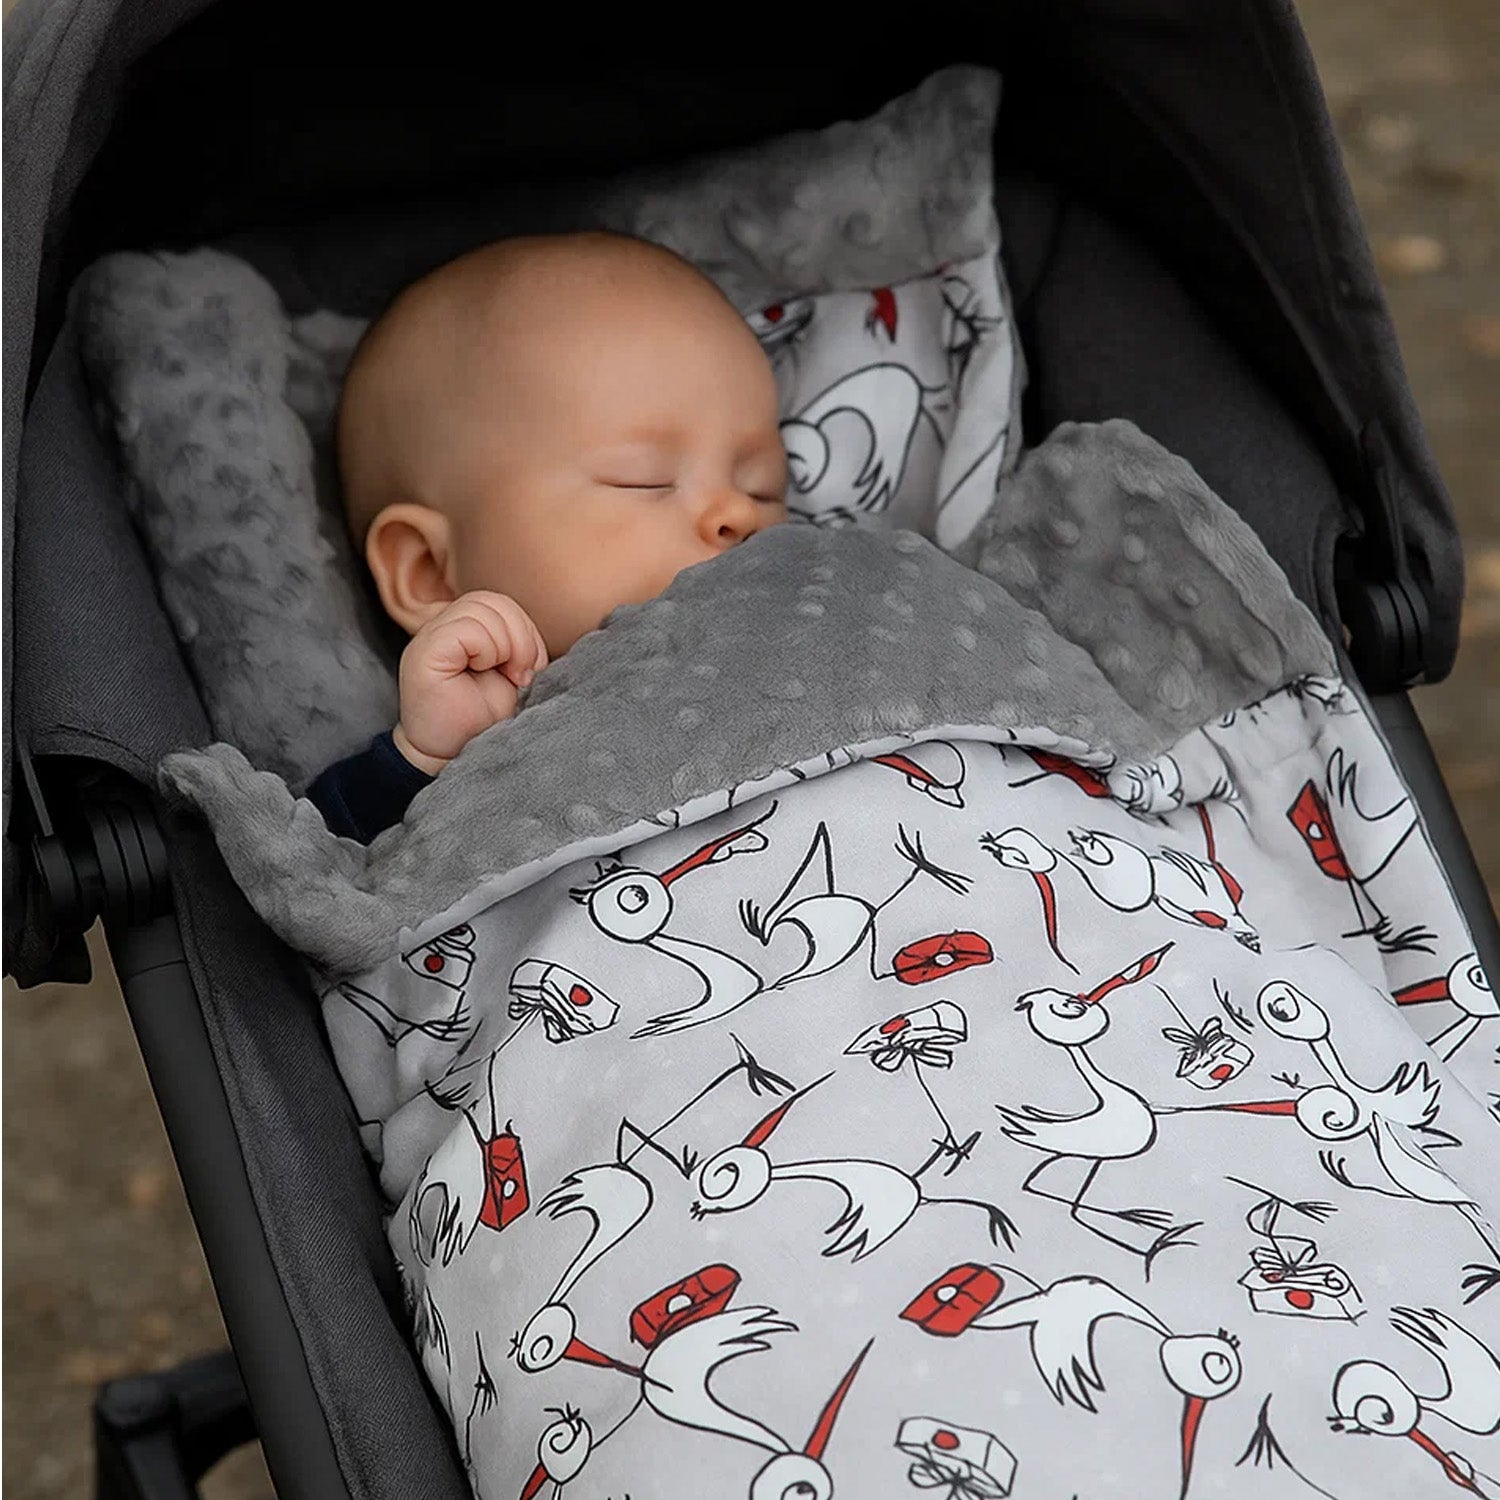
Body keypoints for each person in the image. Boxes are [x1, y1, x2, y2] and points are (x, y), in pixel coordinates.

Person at [307, 231, 790, 840]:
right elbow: (321, 867)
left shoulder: (806, 632)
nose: (738, 511)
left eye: (764, 486)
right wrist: (425, 762)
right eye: (643, 479)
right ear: (429, 569)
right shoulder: (470, 744)